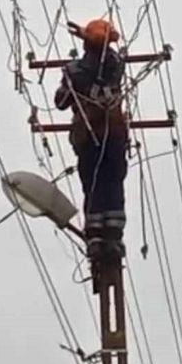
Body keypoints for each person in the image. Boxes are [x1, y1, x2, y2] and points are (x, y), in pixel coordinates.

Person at [54, 18, 128, 264]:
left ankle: (96, 237)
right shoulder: (116, 64)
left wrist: (71, 84)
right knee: (113, 182)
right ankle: (112, 237)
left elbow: (61, 102)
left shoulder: (74, 71)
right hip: (114, 134)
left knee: (94, 184)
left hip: (88, 136)